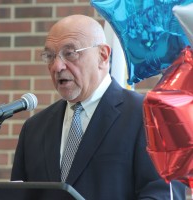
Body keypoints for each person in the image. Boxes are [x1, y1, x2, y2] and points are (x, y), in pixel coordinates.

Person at [11, 14, 186, 199]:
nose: (57, 66)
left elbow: (161, 195)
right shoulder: (34, 128)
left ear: (103, 55)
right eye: (50, 56)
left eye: (70, 53)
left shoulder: (148, 115)